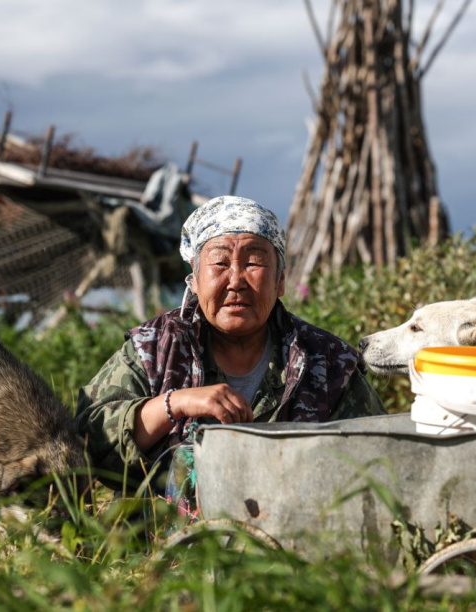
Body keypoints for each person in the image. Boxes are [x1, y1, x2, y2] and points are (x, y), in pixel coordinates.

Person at [76, 195, 386, 497]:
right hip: (164, 544)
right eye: (220, 263)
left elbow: (380, 458)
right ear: (194, 280)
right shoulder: (154, 348)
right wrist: (174, 404)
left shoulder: (329, 362)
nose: (236, 280)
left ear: (280, 282)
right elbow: (88, 440)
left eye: (253, 263)